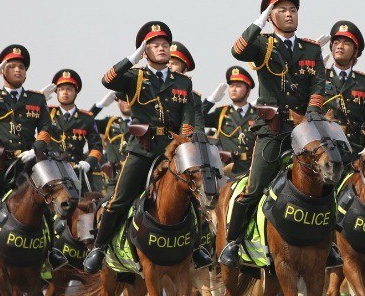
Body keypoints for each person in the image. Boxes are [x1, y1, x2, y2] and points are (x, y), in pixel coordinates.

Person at [84, 21, 211, 273]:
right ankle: (99, 248)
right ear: (145, 51)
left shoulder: (181, 82)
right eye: (154, 45)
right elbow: (108, 79)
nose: (162, 48)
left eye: (165, 44)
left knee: (195, 195)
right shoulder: (134, 76)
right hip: (142, 149)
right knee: (118, 200)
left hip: (173, 150)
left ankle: (196, 247)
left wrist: (184, 144)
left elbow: (188, 118)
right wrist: (132, 58)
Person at [220, 0, 330, 267]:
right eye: (281, 10)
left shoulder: (311, 48)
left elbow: (319, 85)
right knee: (255, 187)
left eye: (293, 9)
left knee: (329, 179)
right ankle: (232, 243)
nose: (289, 14)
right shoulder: (262, 45)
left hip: (304, 129)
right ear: (271, 16)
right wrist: (260, 19)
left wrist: (312, 113)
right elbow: (238, 49)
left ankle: (328, 242)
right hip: (272, 129)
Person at [0, 45, 67, 269]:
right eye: (12, 66)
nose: (18, 70)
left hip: (27, 163)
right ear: (3, 71)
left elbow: (46, 127)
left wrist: (36, 149)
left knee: (46, 204)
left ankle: (50, 253)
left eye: (22, 67)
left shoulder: (36, 99)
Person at [321, 20, 365, 155]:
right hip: (326, 145)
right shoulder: (320, 77)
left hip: (357, 147)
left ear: (355, 52)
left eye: (346, 43)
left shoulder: (364, 82)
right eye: (336, 43)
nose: (340, 46)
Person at [47, 69, 104, 193]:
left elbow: (97, 147)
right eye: (61, 89)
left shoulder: (86, 118)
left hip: (76, 171)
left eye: (69, 89)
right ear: (56, 92)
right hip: (51, 170)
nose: (65, 93)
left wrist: (89, 162)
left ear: (76, 92)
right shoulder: (47, 113)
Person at [202, 66, 259, 176]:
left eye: (238, 86)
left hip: (252, 169)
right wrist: (210, 101)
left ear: (248, 90)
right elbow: (196, 120)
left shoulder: (257, 114)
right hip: (227, 169)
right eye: (231, 85)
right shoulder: (221, 113)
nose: (233, 89)